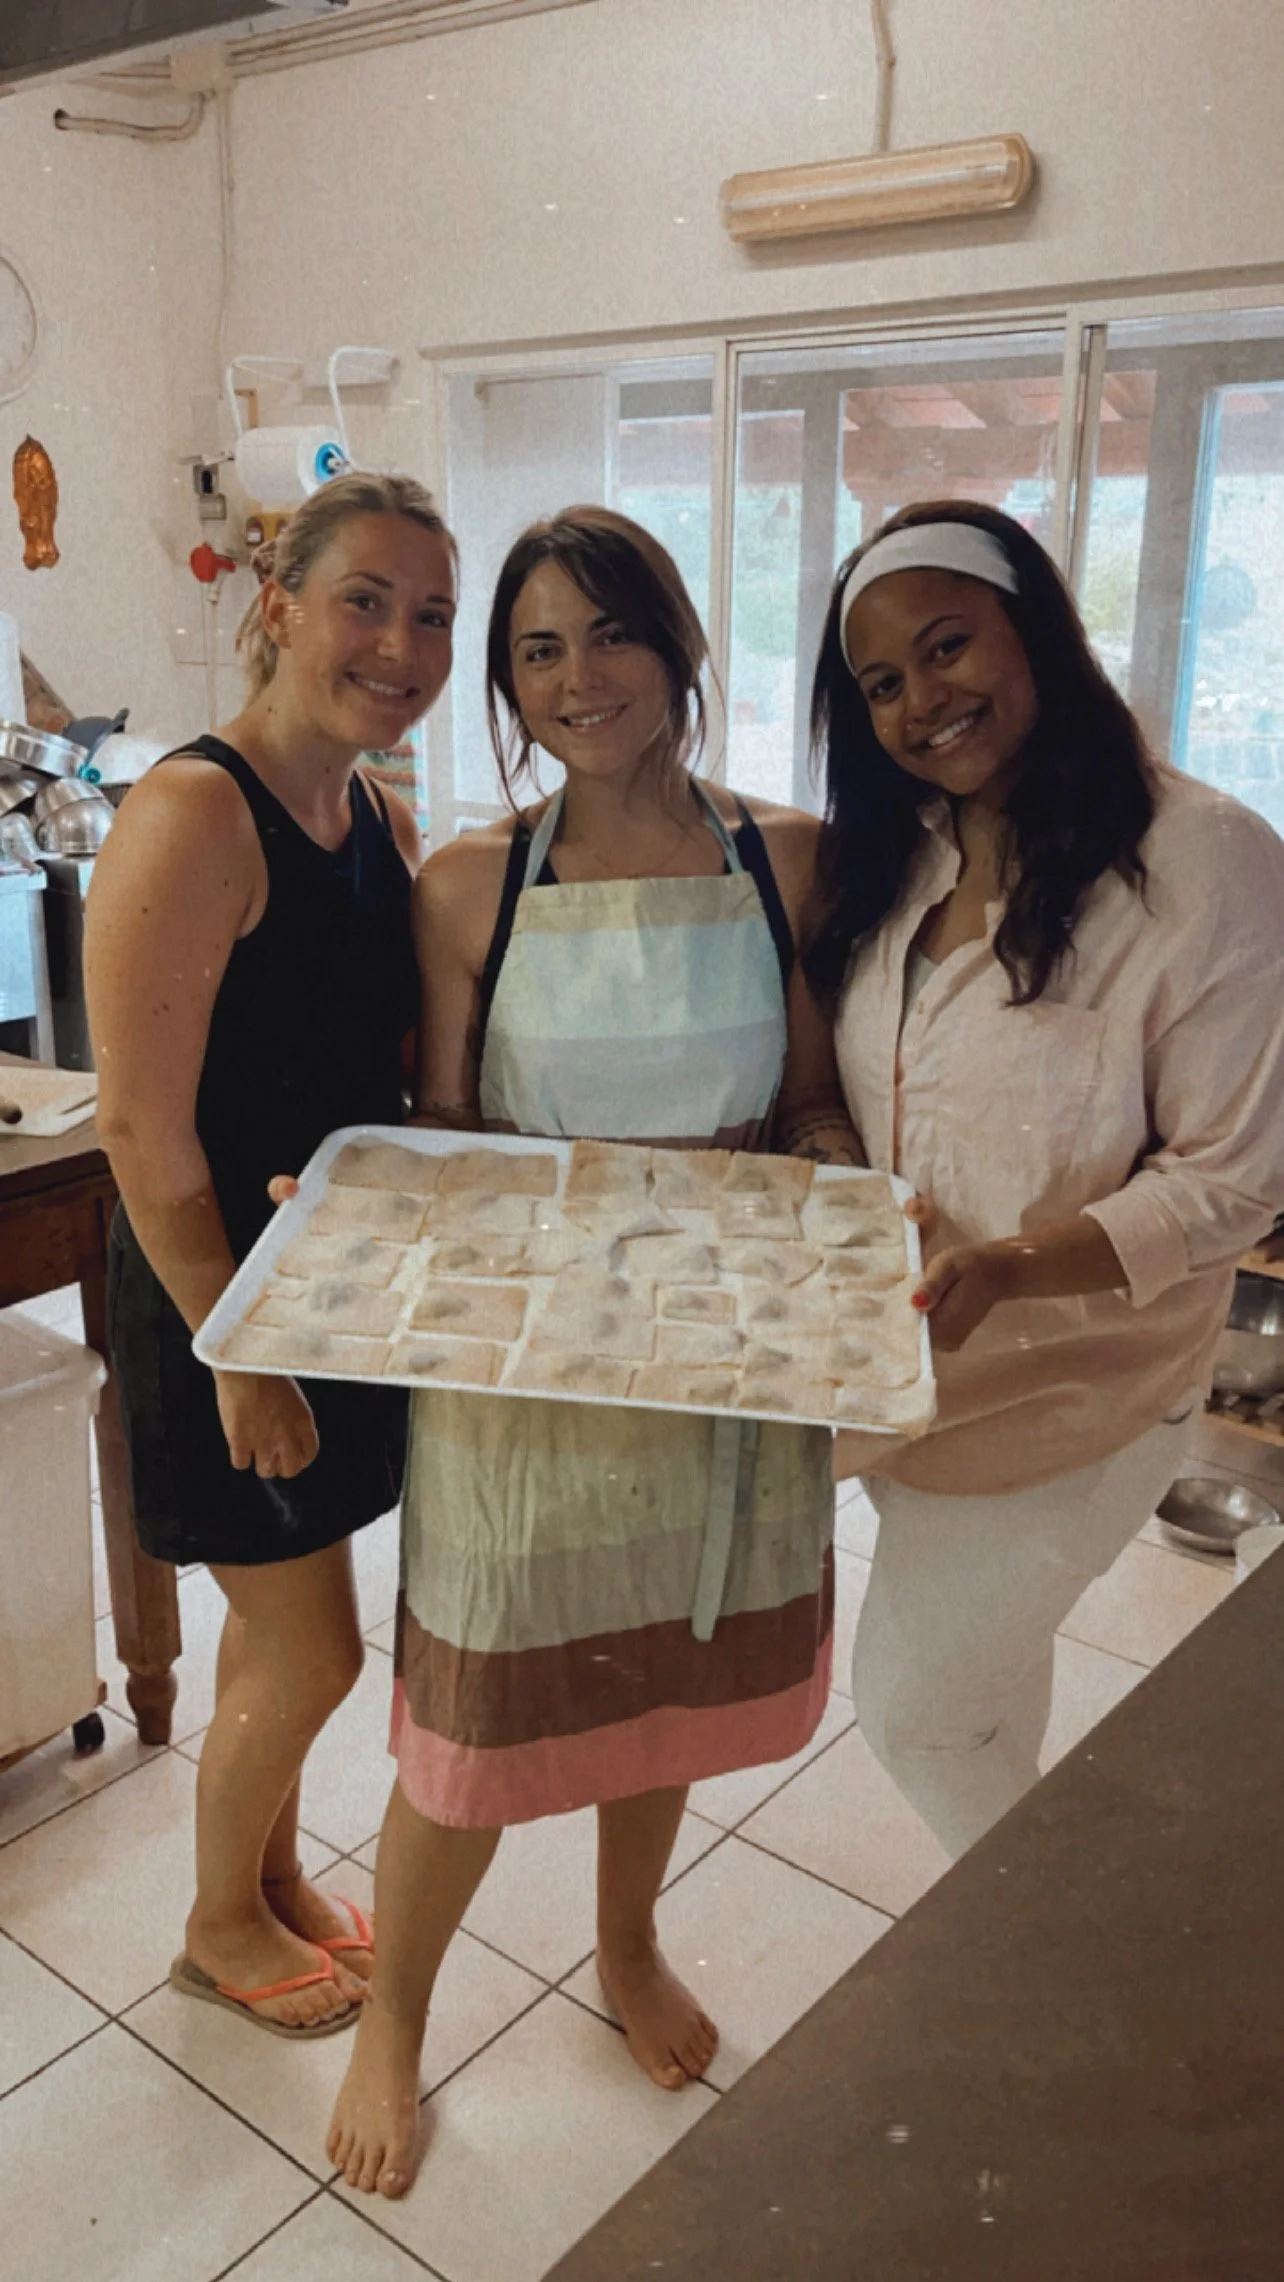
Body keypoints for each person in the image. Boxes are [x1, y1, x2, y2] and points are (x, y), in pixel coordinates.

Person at [326, 504, 859, 2196]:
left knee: (670, 1693)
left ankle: (625, 1946)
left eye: (612, 634)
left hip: (719, 1350)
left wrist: (835, 1187)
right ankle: (393, 2019)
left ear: (680, 644)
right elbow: (446, 1122)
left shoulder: (789, 854)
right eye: (539, 648)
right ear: (509, 680)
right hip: (532, 1367)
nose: (581, 678)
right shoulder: (475, 877)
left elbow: (819, 1095)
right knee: (473, 1720)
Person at [806, 498, 1284, 1860]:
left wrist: (1017, 1263)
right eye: (883, 684)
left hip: (1079, 1395)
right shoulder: (902, 853)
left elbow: (1236, 1181)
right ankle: (998, 1943)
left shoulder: (1204, 861)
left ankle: (1065, 1976)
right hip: (912, 1378)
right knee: (987, 1693)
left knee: (914, 1710)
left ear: (1039, 633)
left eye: (949, 647)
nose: (922, 702)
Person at [84, 472, 457, 2034]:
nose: (402, 642)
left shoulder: (369, 809)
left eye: (432, 613)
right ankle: (215, 1918)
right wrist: (241, 1349)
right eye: (365, 599)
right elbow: (142, 1133)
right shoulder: (193, 810)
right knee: (314, 1650)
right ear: (278, 608)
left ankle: (278, 1874)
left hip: (316, 1291)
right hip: (218, 1306)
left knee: (273, 1624)